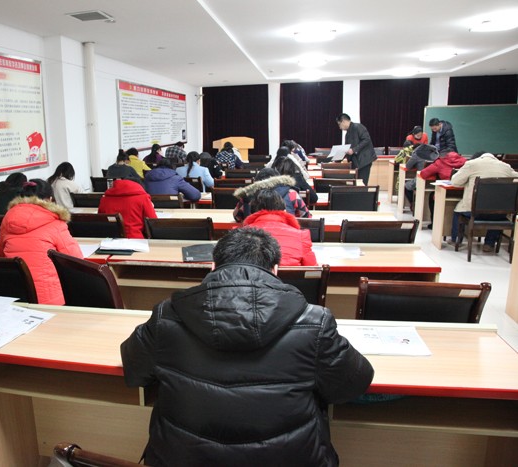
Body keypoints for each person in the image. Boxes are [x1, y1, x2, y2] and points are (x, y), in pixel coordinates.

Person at [120, 227, 373, 466]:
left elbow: (134, 371)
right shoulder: (315, 322)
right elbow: (352, 383)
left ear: (212, 266)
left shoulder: (166, 316)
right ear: (275, 270)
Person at [0, 179, 83, 304]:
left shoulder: (8, 218)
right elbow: (76, 260)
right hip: (49, 299)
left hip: (15, 296)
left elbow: (1, 255)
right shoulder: (55, 222)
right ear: (49, 199)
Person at [449, 153, 518, 251]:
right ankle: (489, 244)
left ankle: (456, 240)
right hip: (499, 213)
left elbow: (455, 182)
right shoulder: (506, 166)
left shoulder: (472, 164)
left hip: (474, 212)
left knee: (457, 212)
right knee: (496, 212)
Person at [243, 189, 317, 266]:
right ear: (284, 211)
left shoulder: (240, 234)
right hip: (289, 274)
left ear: (252, 212)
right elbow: (312, 267)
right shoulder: (301, 236)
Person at [233, 168, 311, 222]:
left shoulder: (248, 195)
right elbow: (306, 217)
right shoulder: (292, 194)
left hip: (255, 237)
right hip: (286, 234)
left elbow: (237, 217)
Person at [418, 150, 467, 227]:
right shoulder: (465, 162)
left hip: (447, 191)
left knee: (432, 196)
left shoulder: (440, 162)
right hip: (463, 192)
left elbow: (424, 174)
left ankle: (434, 224)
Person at [336, 113, 377, 185]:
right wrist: (337, 160)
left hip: (364, 161)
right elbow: (347, 149)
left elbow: (366, 140)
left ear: (343, 121)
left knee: (362, 183)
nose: (340, 128)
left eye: (339, 124)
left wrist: (353, 150)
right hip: (356, 162)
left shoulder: (358, 127)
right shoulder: (347, 133)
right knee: (356, 184)